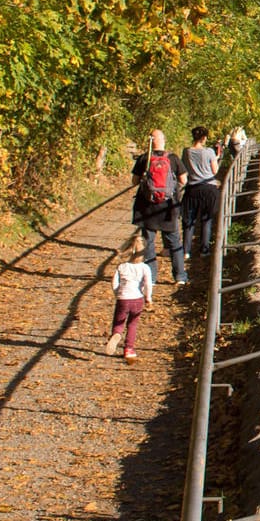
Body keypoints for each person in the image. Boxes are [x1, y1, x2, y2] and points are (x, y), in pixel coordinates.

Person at [131, 128, 188, 284]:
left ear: (150, 141)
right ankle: (180, 276)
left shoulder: (145, 159)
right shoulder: (173, 158)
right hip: (168, 208)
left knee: (148, 243)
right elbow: (184, 180)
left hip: (147, 208)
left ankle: (151, 278)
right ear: (163, 141)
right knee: (174, 242)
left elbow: (134, 182)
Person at [106, 234, 154, 362]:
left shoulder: (122, 266)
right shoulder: (145, 268)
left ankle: (116, 334)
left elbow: (114, 282)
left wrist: (117, 293)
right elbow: (148, 284)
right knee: (132, 324)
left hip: (123, 298)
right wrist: (148, 298)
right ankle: (129, 349)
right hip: (137, 299)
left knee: (119, 321)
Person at [181, 125, 220, 261]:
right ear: (204, 138)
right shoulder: (209, 151)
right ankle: (204, 250)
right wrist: (217, 157)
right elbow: (215, 171)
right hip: (208, 188)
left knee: (189, 220)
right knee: (206, 219)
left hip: (192, 188)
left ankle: (186, 250)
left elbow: (184, 168)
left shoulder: (186, 152)